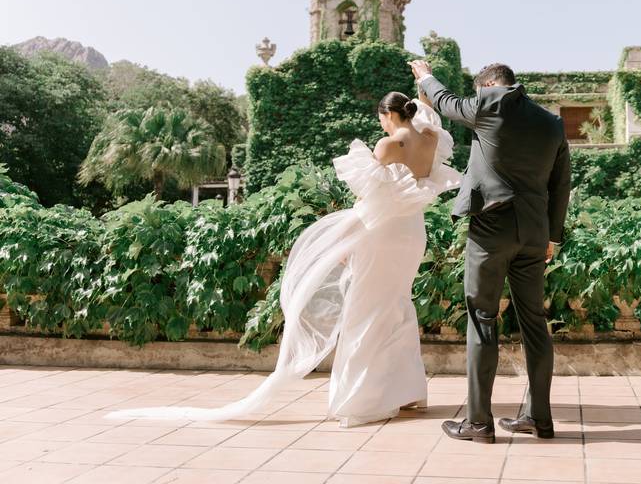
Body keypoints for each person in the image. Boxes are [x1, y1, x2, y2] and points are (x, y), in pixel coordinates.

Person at [104, 92, 460, 427]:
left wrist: (345, 240)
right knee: (396, 305)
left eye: (381, 118)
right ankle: (408, 392)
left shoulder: (387, 144)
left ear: (387, 115)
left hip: (380, 234)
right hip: (411, 234)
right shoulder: (431, 139)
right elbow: (427, 115)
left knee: (364, 311)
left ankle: (363, 399)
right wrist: (423, 82)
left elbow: (372, 199)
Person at [410, 59, 572, 444]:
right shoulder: (551, 123)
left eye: (479, 92)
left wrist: (424, 76)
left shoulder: (490, 103)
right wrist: (554, 235)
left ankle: (478, 422)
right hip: (534, 232)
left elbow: (446, 102)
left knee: (482, 317)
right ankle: (539, 418)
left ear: (489, 86)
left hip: (492, 228)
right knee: (534, 321)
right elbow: (561, 182)